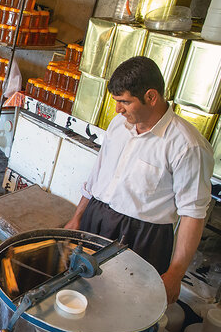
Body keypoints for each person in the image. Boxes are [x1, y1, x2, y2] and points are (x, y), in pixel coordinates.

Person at [64, 56, 213, 304]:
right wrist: (79, 215)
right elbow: (97, 175)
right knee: (79, 292)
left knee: (121, 305)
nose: (117, 110)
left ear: (151, 97)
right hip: (97, 217)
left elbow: (193, 214)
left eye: (124, 102)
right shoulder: (118, 125)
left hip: (141, 237)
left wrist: (175, 273)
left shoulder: (187, 146)